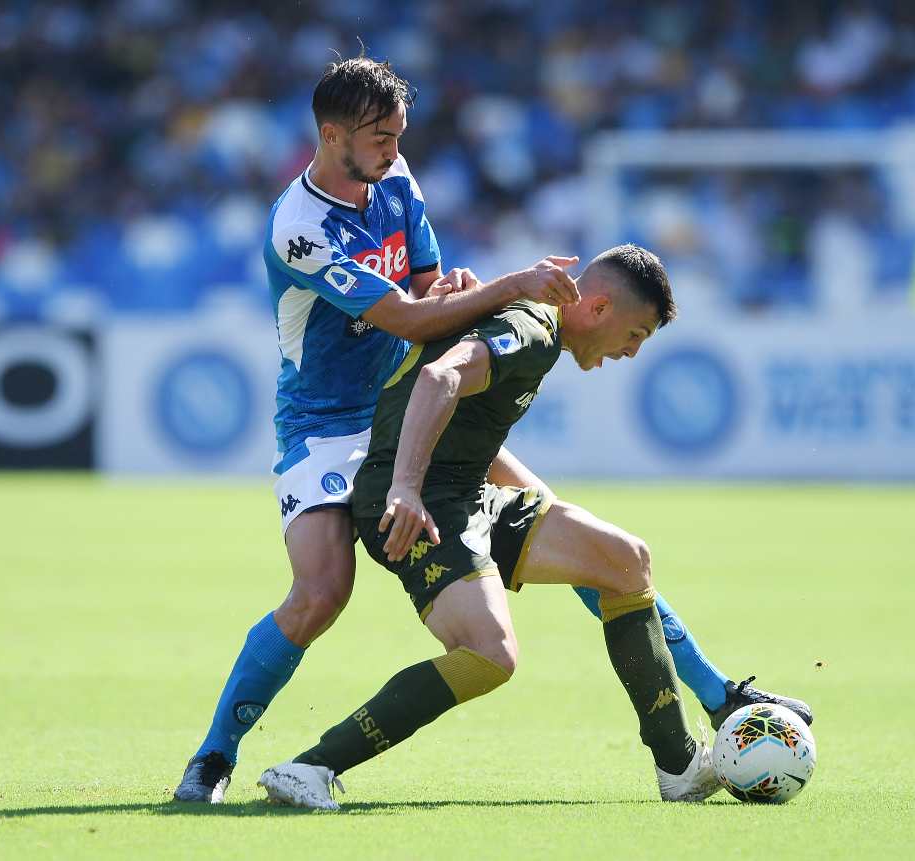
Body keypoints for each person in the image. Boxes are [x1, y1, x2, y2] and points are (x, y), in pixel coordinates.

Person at [175, 57, 808, 803]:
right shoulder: (298, 228)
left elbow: (423, 291)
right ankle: (214, 758)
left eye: (398, 135)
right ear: (331, 133)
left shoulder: (395, 179)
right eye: (379, 138)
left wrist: (463, 298)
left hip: (415, 403)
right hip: (327, 424)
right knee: (321, 593)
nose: (393, 150)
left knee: (578, 535)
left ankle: (716, 695)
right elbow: (411, 317)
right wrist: (513, 285)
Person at [257, 245, 812, 809]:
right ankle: (311, 767)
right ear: (597, 308)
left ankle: (679, 767)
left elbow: (467, 419)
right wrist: (404, 486)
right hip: (416, 504)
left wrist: (550, 515)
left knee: (623, 560)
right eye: (636, 333)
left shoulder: (536, 326)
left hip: (467, 495)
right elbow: (437, 379)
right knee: (490, 655)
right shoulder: (533, 329)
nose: (631, 352)